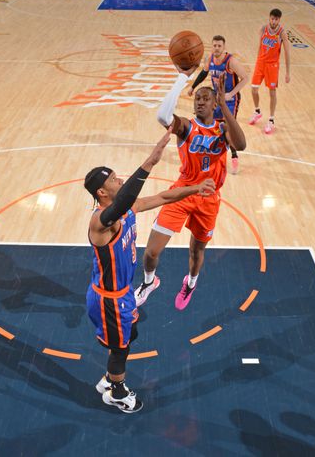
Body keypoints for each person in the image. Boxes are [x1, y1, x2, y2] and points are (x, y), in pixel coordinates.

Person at [85, 131, 216, 413]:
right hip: (109, 299)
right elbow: (124, 201)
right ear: (102, 192)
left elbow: (163, 196)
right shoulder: (101, 222)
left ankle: (109, 380)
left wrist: (194, 189)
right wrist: (150, 162)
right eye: (113, 180)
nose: (119, 180)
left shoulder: (127, 208)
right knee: (120, 349)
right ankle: (116, 392)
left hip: (123, 295)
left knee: (128, 337)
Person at [135, 64, 246, 311]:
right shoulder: (186, 127)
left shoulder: (223, 128)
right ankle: (148, 283)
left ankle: (191, 283)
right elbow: (163, 116)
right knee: (151, 251)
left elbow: (242, 144)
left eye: (206, 98)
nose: (200, 102)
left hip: (209, 199)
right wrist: (181, 79)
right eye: (197, 98)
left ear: (215, 103)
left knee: (196, 252)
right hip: (182, 192)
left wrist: (225, 107)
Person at [188, 35, 249, 174]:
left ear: (224, 47)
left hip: (230, 99)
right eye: (214, 45)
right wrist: (193, 87)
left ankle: (234, 156)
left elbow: (245, 78)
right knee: (212, 125)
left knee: (228, 127)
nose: (216, 48)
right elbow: (204, 73)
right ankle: (212, 155)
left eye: (219, 46)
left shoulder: (231, 61)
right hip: (216, 97)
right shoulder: (210, 58)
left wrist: (231, 94)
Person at [249, 8, 291, 134]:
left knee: (272, 92)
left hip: (272, 66)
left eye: (276, 19)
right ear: (269, 18)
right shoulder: (263, 29)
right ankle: (257, 111)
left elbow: (287, 53)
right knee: (253, 89)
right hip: (261, 63)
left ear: (279, 20)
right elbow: (260, 46)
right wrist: (257, 60)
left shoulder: (282, 33)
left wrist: (288, 72)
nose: (273, 21)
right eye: (272, 18)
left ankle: (271, 120)